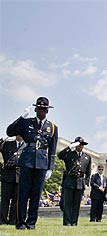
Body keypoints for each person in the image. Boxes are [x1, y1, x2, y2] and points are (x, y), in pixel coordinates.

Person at [6, 97, 58, 230]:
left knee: (36, 194)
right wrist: (21, 118)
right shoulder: (26, 123)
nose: (42, 111)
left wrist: (50, 167)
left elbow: (52, 149)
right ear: (35, 109)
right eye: (39, 108)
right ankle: (20, 222)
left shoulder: (52, 127)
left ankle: (31, 223)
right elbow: (10, 131)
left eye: (44, 109)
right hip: (27, 161)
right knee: (23, 194)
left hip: (41, 163)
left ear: (47, 111)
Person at [58, 137, 91, 226]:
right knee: (67, 203)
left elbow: (88, 172)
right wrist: (69, 147)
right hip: (69, 181)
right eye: (79, 144)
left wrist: (87, 182)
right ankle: (67, 222)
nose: (81, 146)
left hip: (80, 182)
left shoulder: (87, 157)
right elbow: (60, 155)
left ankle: (74, 222)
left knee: (76, 204)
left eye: (82, 145)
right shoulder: (69, 154)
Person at [0, 135, 23, 225]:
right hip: (7, 175)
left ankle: (13, 220)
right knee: (4, 200)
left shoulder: (27, 146)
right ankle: (2, 220)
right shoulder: (7, 144)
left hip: (20, 177)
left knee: (16, 201)